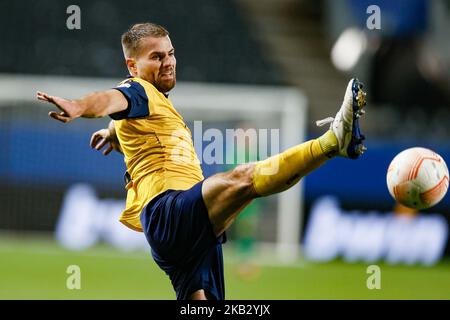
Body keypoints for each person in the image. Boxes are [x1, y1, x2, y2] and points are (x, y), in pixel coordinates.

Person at [36, 22, 367, 300]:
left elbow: (124, 115)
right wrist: (80, 107)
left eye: (171, 53)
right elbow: (110, 98)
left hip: (184, 234)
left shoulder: (149, 107)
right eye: (156, 57)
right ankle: (333, 141)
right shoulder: (137, 89)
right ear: (132, 66)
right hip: (169, 212)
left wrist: (114, 131)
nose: (169, 62)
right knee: (243, 179)